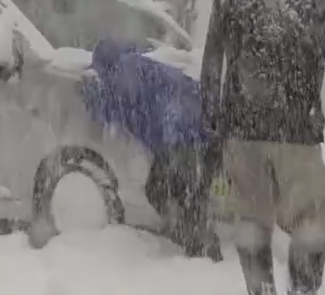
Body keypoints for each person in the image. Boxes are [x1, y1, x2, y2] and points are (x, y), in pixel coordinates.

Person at [201, 0, 325, 295]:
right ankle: (302, 294)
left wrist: (211, 122)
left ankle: (262, 294)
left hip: (243, 128)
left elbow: (213, 58)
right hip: (297, 130)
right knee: (310, 218)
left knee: (251, 218)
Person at [82, 38, 223, 262]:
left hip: (184, 135)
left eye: (99, 70)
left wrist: (92, 100)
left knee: (182, 194)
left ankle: (203, 252)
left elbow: (117, 107)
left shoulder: (126, 71)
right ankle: (190, 240)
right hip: (192, 131)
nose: (99, 76)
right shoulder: (137, 66)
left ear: (105, 64)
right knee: (173, 192)